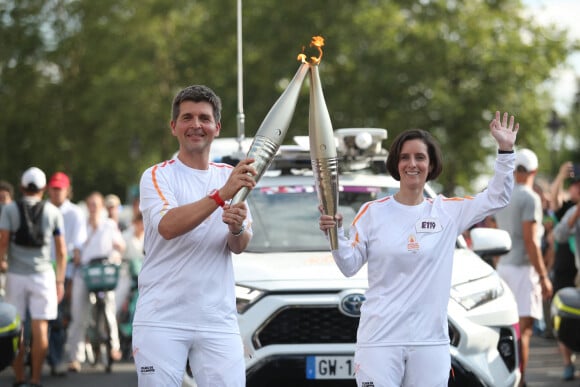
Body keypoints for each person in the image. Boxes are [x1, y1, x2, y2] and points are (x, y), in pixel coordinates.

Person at [319, 111, 519, 387]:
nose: (412, 164)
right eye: (405, 157)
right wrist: (336, 234)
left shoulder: (448, 212)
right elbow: (348, 265)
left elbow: (497, 196)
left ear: (431, 164)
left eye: (420, 157)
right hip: (379, 340)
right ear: (396, 163)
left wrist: (505, 151)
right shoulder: (372, 213)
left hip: (429, 342)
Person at [132, 84, 257, 387]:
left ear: (217, 127)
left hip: (217, 319)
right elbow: (168, 226)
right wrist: (220, 196)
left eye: (204, 118)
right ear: (174, 127)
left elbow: (239, 245)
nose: (196, 125)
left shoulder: (229, 175)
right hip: (162, 318)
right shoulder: (157, 175)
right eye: (187, 118)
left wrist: (236, 227)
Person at [0, 167, 67, 387]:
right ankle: (36, 378)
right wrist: (59, 280)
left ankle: (19, 378)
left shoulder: (9, 209)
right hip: (43, 276)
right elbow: (61, 250)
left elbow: (3, 241)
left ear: (21, 188)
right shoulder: (52, 212)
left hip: (16, 275)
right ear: (44, 189)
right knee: (41, 328)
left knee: (14, 329)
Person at [494, 148, 553, 386]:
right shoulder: (530, 197)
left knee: (507, 333)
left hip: (504, 267)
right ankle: (520, 381)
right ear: (534, 171)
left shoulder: (504, 195)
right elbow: (531, 241)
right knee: (523, 333)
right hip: (522, 270)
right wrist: (543, 275)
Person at [66, 191, 125, 372]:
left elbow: (120, 246)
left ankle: (114, 347)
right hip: (85, 272)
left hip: (103, 272)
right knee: (79, 315)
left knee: (109, 308)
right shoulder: (82, 225)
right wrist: (76, 255)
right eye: (90, 205)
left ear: (101, 207)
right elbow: (75, 249)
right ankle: (75, 358)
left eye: (96, 205)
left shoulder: (108, 225)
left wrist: (116, 255)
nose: (92, 208)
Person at [46, 171, 87, 376]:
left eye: (59, 189)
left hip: (68, 270)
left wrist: (69, 274)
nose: (56, 192)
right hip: (45, 270)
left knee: (62, 316)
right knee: (51, 315)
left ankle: (61, 356)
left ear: (67, 190)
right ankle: (53, 356)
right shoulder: (43, 210)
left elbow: (77, 245)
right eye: (53, 189)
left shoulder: (75, 213)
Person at [550, 162, 580, 380]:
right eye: (575, 185)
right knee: (567, 320)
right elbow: (559, 236)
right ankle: (568, 363)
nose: (575, 188)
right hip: (570, 274)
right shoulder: (572, 209)